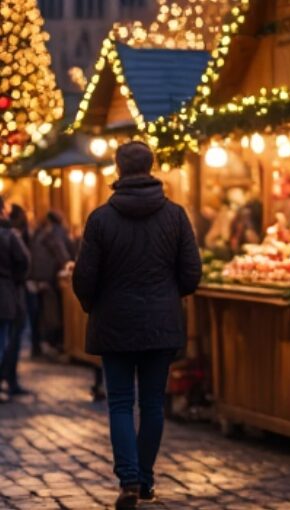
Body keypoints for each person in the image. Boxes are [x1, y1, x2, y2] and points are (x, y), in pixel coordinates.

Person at [72, 141, 201, 509]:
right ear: (152, 166)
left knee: (121, 404)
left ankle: (129, 480)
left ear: (118, 170)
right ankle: (144, 480)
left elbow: (85, 277)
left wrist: (93, 304)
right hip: (161, 323)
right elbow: (192, 274)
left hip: (114, 322)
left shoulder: (100, 218)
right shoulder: (175, 215)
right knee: (153, 404)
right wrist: (169, 296)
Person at [29, 210, 72, 355]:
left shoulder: (39, 235)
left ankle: (39, 345)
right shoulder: (55, 235)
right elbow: (64, 256)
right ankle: (58, 343)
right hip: (52, 280)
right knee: (55, 314)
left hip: (39, 279)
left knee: (40, 314)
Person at [0, 197, 30, 404]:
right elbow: (24, 261)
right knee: (2, 341)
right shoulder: (8, 234)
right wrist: (16, 280)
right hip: (5, 294)